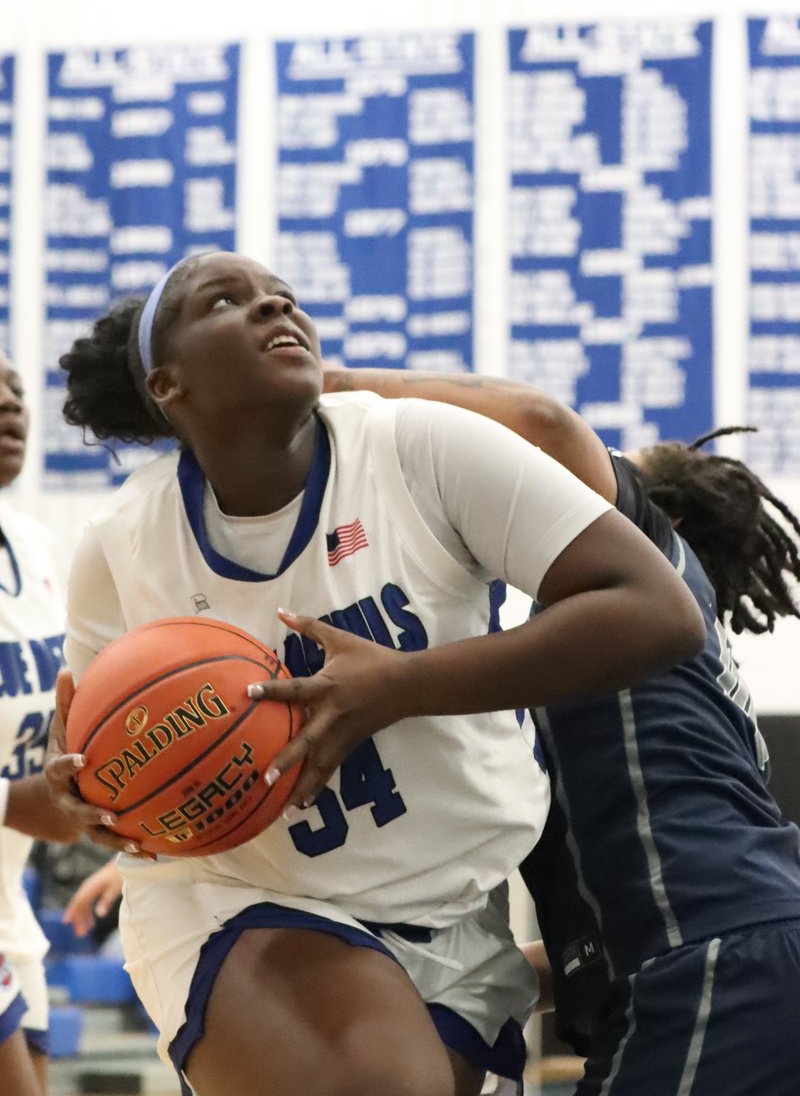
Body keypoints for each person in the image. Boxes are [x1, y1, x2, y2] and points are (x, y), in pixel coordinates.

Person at [42, 250, 703, 1096]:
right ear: (167, 385)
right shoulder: (124, 541)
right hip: (241, 896)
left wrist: (398, 685)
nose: (274, 307)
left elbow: (657, 610)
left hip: (457, 910)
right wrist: (88, 788)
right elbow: (92, 742)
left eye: (282, 295)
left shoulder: (419, 445)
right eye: (226, 302)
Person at [309, 364, 800, 1096]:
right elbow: (600, 941)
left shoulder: (645, 570)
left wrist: (320, 386)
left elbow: (543, 425)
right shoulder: (636, 665)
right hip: (729, 959)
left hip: (707, 969)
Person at [0, 351, 80, 1096]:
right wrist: (13, 800)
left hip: (9, 896)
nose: (10, 405)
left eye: (16, 389)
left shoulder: (34, 542)